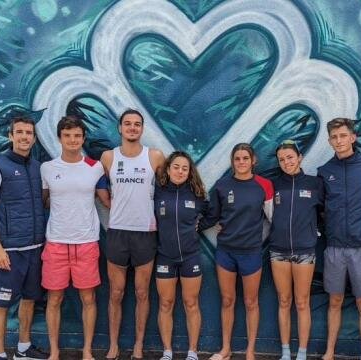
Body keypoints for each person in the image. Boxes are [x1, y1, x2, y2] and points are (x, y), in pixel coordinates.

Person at [40, 115, 110, 360]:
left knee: (88, 298)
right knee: (54, 299)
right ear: (59, 137)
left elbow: (106, 200)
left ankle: (87, 351)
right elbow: (43, 201)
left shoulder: (95, 166)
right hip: (56, 243)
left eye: (77, 135)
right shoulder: (47, 168)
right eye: (67, 135)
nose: (72, 140)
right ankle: (55, 352)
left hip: (87, 243)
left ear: (83, 138)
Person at [0, 116, 49, 360]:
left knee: (29, 300)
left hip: (35, 248)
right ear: (10, 136)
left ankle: (23, 348)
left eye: (29, 133)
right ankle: (0, 354)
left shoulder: (37, 167)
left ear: (34, 137)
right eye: (19, 132)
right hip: (10, 250)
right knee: (2, 303)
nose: (24, 137)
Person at [100, 109, 165, 360]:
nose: (132, 128)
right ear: (119, 128)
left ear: (142, 128)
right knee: (116, 293)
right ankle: (114, 345)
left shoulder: (155, 157)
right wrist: (107, 201)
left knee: (141, 293)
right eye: (127, 124)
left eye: (137, 124)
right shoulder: (108, 157)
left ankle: (138, 345)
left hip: (145, 233)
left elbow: (165, 189)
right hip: (117, 232)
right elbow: (98, 183)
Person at [199, 143, 273, 360]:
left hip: (251, 253)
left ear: (253, 161)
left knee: (251, 302)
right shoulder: (222, 186)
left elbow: (273, 218)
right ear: (233, 162)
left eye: (245, 158)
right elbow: (212, 217)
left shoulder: (264, 185)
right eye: (237, 158)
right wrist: (190, 225)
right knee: (227, 301)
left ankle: (250, 351)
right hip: (226, 253)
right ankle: (226, 349)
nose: (241, 162)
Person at [316, 118, 361, 360]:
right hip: (333, 248)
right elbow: (320, 208)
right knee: (335, 300)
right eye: (334, 137)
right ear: (330, 141)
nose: (339, 141)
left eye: (343, 135)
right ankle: (329, 352)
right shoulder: (325, 171)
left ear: (353, 137)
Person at [268, 140, 324, 360]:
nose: (286, 162)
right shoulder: (274, 185)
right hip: (278, 251)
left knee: (302, 302)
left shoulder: (315, 184)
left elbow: (327, 212)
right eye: (281, 159)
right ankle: (285, 352)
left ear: (299, 157)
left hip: (305, 251)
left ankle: (301, 352)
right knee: (284, 300)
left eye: (290, 157)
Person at [154, 151, 208, 360]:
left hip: (190, 256)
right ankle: (167, 351)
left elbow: (211, 213)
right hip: (164, 256)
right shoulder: (158, 192)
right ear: (168, 169)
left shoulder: (196, 194)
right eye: (176, 167)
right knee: (166, 303)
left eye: (185, 168)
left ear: (189, 172)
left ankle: (192, 352)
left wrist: (200, 226)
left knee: (191, 303)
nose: (180, 171)